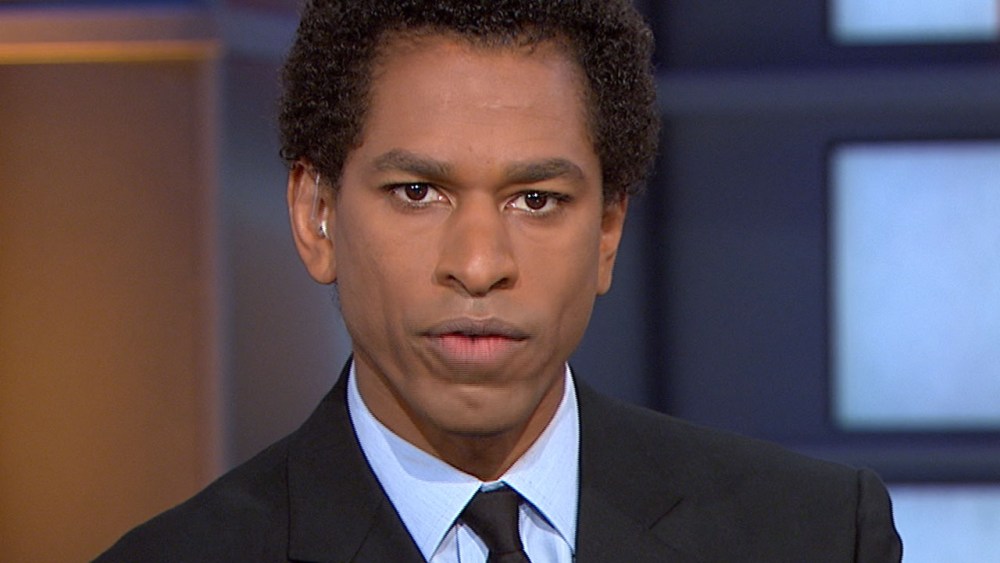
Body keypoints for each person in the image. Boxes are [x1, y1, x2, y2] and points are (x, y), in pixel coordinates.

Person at [97, 0, 902, 561]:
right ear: (317, 216)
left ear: (608, 232)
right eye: (418, 192)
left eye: (536, 199)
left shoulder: (814, 536)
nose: (480, 264)